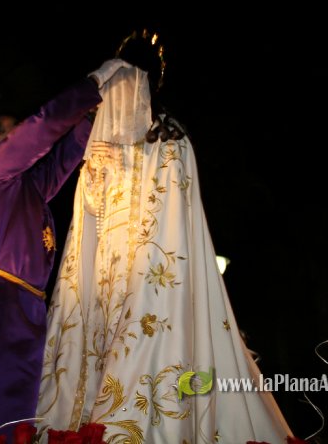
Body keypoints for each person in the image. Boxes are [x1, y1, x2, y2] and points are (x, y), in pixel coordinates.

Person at [36, 34, 294, 443]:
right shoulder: (98, 149)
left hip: (149, 280)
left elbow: (173, 228)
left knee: (140, 355)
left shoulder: (170, 142)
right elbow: (88, 219)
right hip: (101, 276)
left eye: (125, 83)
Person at [0, 58, 132, 435]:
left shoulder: (29, 188)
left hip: (28, 305)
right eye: (14, 130)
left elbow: (63, 158)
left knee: (17, 412)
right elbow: (40, 131)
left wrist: (94, 115)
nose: (22, 135)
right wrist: (90, 86)